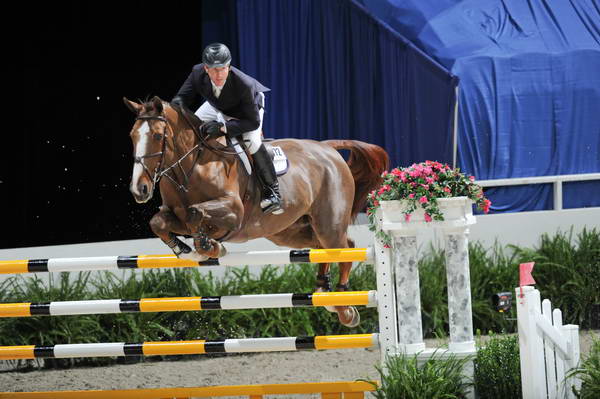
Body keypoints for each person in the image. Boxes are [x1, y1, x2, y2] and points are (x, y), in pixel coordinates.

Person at [171, 43, 282, 215]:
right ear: (206, 68)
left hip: (247, 110)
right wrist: (174, 109)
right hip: (220, 105)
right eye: (213, 69)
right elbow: (181, 98)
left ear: (228, 67)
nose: (218, 74)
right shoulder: (197, 72)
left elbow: (251, 122)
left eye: (222, 68)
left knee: (251, 141)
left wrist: (223, 128)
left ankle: (273, 191)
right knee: (195, 127)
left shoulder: (244, 84)